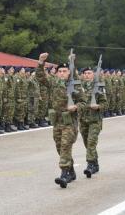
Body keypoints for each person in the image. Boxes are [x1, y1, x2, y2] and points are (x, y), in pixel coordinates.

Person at [37, 52, 85, 188]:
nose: (62, 73)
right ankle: (71, 170)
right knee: (59, 147)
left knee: (65, 146)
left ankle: (64, 174)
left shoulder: (75, 85)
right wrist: (41, 62)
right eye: (60, 71)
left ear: (69, 73)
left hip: (70, 121)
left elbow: (84, 102)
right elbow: (40, 78)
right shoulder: (53, 83)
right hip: (57, 121)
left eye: (65, 71)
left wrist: (75, 107)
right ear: (57, 73)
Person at [79, 66, 107, 178]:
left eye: (89, 73)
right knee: (87, 143)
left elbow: (105, 104)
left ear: (93, 75)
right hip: (83, 120)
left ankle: (90, 165)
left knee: (91, 142)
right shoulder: (78, 87)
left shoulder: (99, 87)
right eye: (85, 73)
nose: (86, 75)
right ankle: (95, 163)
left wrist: (98, 106)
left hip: (95, 120)